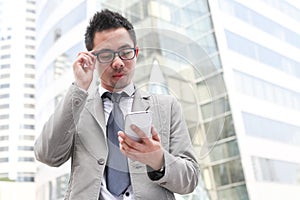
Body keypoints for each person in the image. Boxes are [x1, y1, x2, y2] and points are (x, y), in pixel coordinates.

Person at [34, 9, 199, 200]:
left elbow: (190, 179)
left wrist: (158, 160)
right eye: (106, 54)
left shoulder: (166, 106)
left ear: (136, 53)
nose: (118, 62)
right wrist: (79, 87)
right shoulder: (77, 106)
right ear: (92, 59)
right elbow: (47, 155)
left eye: (125, 52)